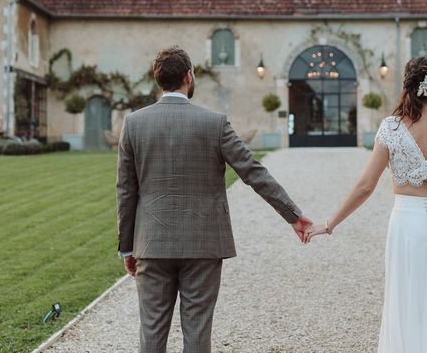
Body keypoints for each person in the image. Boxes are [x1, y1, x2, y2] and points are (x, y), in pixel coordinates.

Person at [116, 46, 312, 353]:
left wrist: (127, 246)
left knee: (151, 332)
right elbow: (252, 171)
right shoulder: (215, 123)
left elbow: (126, 190)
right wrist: (293, 214)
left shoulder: (134, 123)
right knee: (197, 332)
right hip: (203, 243)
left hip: (151, 242)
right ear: (188, 76)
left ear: (158, 80)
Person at [305, 56, 427, 353]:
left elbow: (365, 186)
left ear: (408, 85)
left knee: (409, 301)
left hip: (407, 225)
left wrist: (330, 224)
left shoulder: (390, 129)